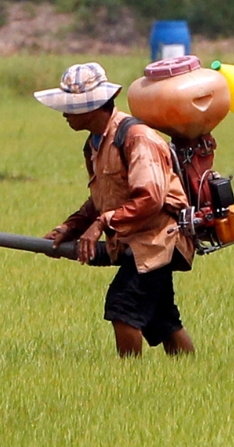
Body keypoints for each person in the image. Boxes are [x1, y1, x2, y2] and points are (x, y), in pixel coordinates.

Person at [36, 63, 196, 357]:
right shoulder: (94, 144)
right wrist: (69, 227)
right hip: (138, 242)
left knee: (123, 307)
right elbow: (102, 199)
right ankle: (194, 374)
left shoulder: (137, 138)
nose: (64, 114)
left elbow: (151, 198)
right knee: (162, 320)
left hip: (159, 239)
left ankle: (127, 381)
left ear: (93, 106)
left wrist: (101, 225)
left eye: (71, 107)